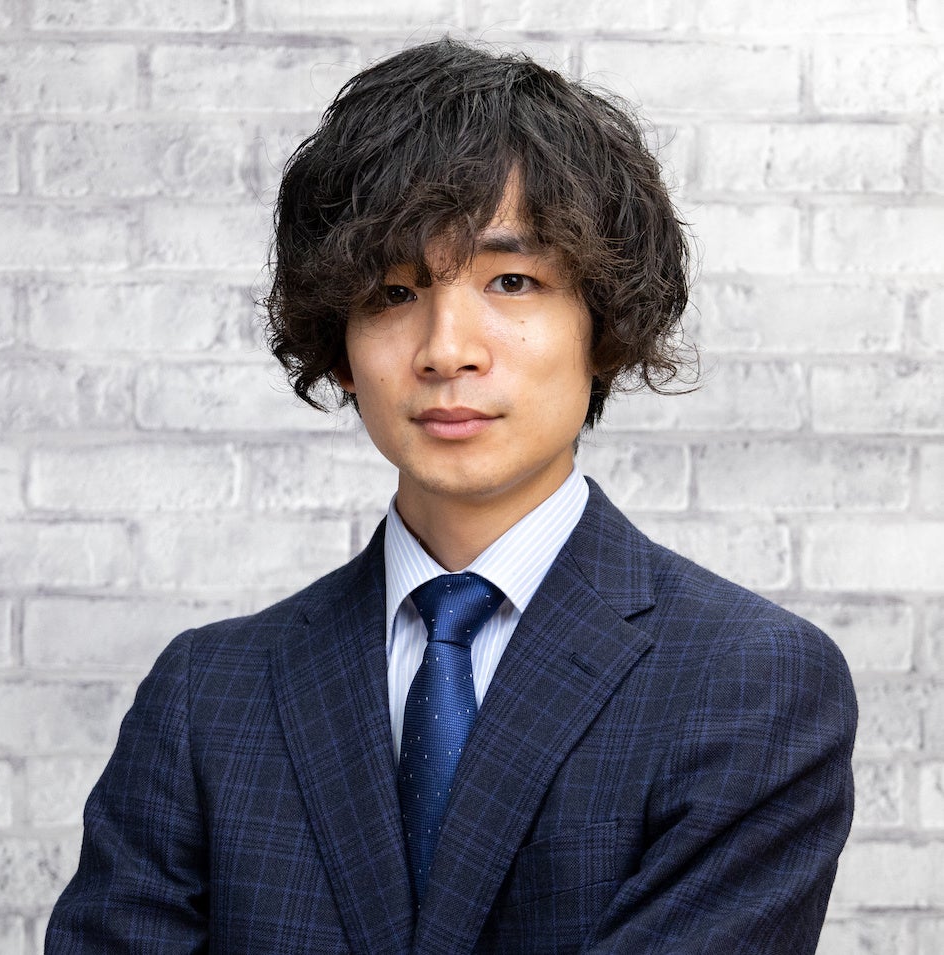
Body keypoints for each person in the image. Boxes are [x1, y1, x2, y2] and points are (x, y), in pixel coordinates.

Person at [45, 38, 857, 954]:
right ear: (340, 346)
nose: (445, 349)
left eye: (511, 281)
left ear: (604, 323)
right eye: (393, 291)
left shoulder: (749, 678)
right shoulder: (207, 694)